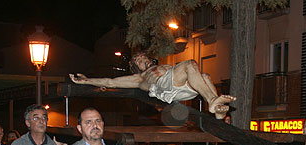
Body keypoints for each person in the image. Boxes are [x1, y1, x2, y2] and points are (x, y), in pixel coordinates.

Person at [70, 52, 236, 119]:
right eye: (139, 60)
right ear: (136, 67)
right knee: (190, 64)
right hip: (166, 87)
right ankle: (214, 102)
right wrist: (87, 80)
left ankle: (217, 108)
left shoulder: (161, 65)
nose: (143, 59)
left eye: (144, 56)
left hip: (183, 88)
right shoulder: (139, 78)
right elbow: (110, 82)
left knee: (205, 76)